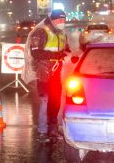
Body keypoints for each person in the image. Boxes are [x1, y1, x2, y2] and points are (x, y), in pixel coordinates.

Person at [21, 9, 69, 142]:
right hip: (44, 72)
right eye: (60, 20)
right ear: (53, 20)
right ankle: (42, 131)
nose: (62, 22)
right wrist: (55, 55)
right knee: (45, 101)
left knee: (56, 100)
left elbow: (63, 47)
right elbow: (36, 52)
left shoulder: (60, 32)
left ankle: (53, 130)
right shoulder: (41, 31)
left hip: (56, 71)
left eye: (64, 20)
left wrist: (67, 50)